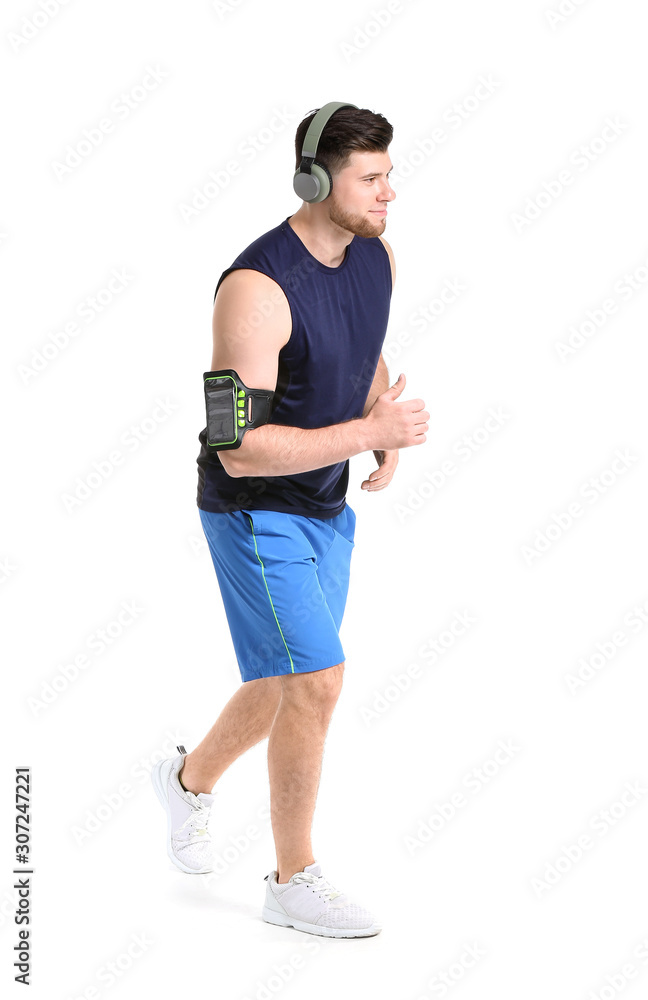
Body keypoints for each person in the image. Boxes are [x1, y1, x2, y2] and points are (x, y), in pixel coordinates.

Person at [152, 102, 428, 939]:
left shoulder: (374, 254)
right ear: (315, 180)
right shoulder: (255, 291)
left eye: (388, 175)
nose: (389, 193)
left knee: (286, 678)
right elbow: (237, 451)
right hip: (253, 507)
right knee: (317, 679)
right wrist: (368, 433)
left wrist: (379, 413)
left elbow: (362, 341)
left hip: (324, 504)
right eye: (370, 179)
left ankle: (188, 781)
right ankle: (292, 878)